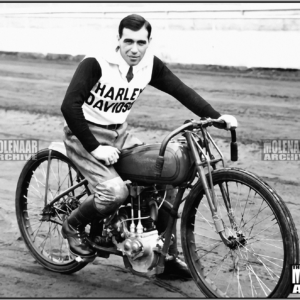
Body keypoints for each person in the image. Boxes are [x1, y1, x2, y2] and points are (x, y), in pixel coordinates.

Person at [60, 14, 238, 279]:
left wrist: (216, 117)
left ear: (148, 42)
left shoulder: (149, 65)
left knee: (164, 173)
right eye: (128, 41)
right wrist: (95, 147)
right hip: (83, 134)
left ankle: (164, 255)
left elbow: (182, 91)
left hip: (120, 134)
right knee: (115, 192)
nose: (134, 49)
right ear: (118, 40)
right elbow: (69, 106)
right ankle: (72, 226)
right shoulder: (96, 63)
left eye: (141, 42)